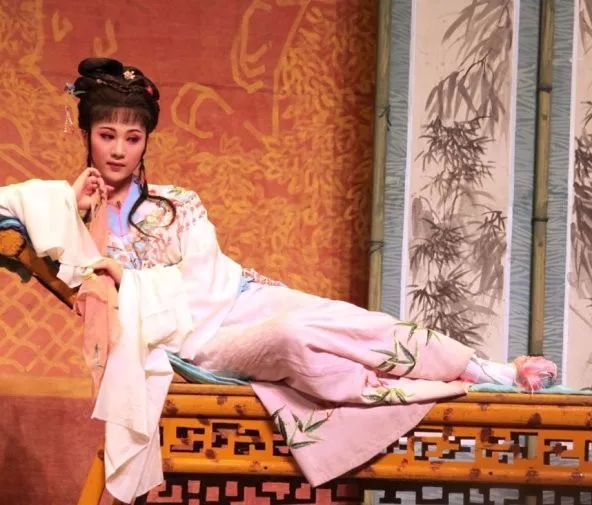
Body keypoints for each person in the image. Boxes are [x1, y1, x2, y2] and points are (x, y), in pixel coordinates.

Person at [35, 57, 561, 501]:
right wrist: (77, 208)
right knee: (294, 337)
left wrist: (131, 280)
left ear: (146, 142)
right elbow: (27, 228)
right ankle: (423, 384)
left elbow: (204, 276)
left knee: (346, 319)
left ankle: (484, 368)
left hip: (237, 297)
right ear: (87, 135)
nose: (119, 150)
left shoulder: (178, 203)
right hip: (199, 343)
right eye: (107, 136)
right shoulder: (68, 216)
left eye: (133, 137)